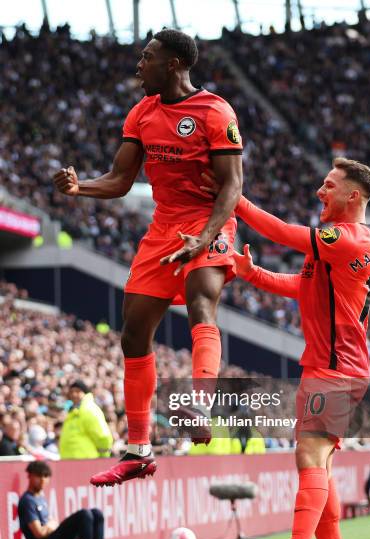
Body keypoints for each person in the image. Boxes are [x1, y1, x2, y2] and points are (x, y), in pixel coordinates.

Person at [53, 29, 243, 486]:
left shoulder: (215, 111)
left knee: (201, 302)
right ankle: (138, 450)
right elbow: (120, 179)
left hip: (209, 221)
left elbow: (232, 185)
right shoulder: (142, 113)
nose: (139, 65)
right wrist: (81, 188)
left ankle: (199, 401)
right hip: (162, 229)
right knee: (134, 334)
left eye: (147, 57)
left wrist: (205, 237)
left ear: (174, 63)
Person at [201, 158, 370, 539]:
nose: (320, 191)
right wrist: (253, 273)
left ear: (352, 196)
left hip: (336, 368)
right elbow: (303, 286)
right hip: (329, 365)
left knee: (310, 457)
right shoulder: (339, 246)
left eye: (329, 185)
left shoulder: (347, 238)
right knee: (318, 464)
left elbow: (282, 233)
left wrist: (235, 199)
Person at [18, 461, 122, 539]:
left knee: (96, 513)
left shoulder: (40, 497)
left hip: (53, 538)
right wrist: (51, 525)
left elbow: (50, 525)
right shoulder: (27, 501)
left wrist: (51, 525)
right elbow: (39, 533)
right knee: (84, 514)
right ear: (30, 475)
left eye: (46, 476)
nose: (43, 479)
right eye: (38, 475)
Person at [59, 381, 113, 459]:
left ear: (85, 393)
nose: (74, 394)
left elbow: (102, 436)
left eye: (77, 391)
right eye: (72, 392)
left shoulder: (89, 410)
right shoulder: (72, 412)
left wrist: (103, 458)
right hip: (70, 462)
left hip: (86, 461)